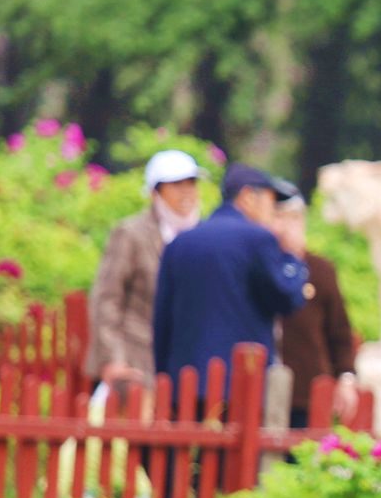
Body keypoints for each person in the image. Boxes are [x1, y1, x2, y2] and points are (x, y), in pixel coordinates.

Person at [153, 163, 310, 401]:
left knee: (193, 439)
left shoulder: (180, 243)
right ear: (248, 196)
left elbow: (162, 320)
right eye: (270, 201)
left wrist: (164, 376)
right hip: (240, 387)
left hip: (185, 384)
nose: (273, 210)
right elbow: (285, 297)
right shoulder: (259, 239)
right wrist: (294, 260)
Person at [84, 148, 206, 390]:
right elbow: (107, 298)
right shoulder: (131, 234)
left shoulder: (203, 236)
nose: (186, 192)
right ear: (154, 193)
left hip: (187, 365)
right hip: (136, 359)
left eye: (190, 183)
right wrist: (113, 359)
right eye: (176, 185)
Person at [273, 192, 360, 429]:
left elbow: (340, 331)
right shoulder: (260, 266)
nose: (285, 226)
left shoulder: (320, 270)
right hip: (266, 390)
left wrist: (346, 378)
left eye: (293, 218)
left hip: (309, 391)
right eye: (278, 217)